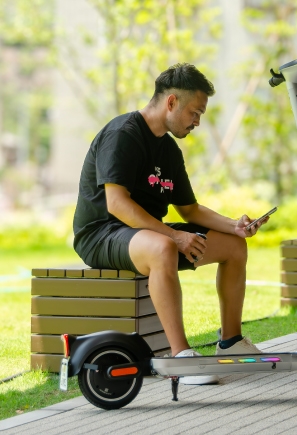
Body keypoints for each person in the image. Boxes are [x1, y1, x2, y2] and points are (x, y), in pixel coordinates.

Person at [72, 63, 269, 385]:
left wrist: (234, 225)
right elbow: (116, 204)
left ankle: (231, 341)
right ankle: (181, 357)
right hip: (101, 233)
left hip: (145, 234)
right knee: (163, 246)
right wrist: (175, 237)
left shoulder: (169, 150)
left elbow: (190, 210)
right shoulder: (122, 135)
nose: (197, 121)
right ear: (172, 102)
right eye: (195, 112)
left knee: (234, 246)